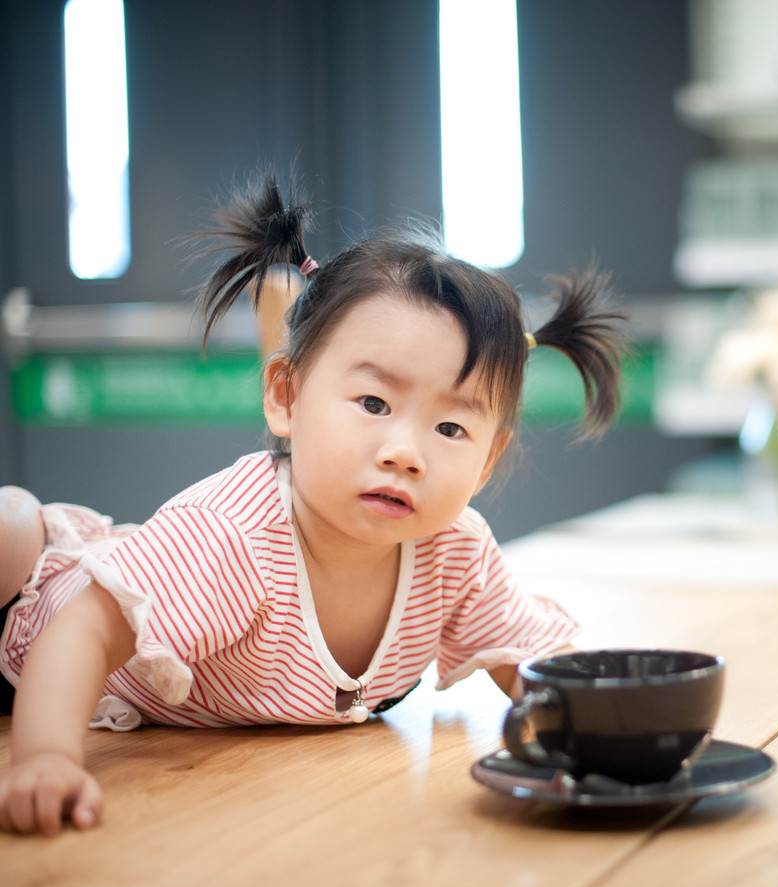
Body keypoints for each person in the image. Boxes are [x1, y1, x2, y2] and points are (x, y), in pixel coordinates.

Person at [0, 171, 627, 836]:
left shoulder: (455, 549)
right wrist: (45, 758)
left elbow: (526, 664)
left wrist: (604, 735)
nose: (404, 451)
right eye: (374, 403)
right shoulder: (234, 534)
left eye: (450, 428)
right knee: (10, 525)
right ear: (286, 397)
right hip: (33, 611)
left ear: (488, 461)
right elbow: (85, 627)